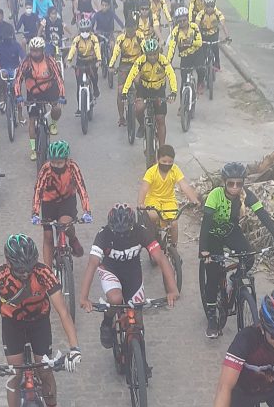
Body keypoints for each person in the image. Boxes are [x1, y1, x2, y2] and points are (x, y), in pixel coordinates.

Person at [0, 234, 81, 407]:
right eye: (20, 270)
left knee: (45, 370)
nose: (25, 274)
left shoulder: (43, 273)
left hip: (39, 322)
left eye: (29, 268)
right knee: (14, 375)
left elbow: (63, 312)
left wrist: (74, 348)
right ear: (8, 263)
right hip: (12, 324)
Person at [199, 162, 274, 338]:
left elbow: (263, 216)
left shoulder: (246, 195)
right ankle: (212, 318)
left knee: (249, 257)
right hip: (212, 235)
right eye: (231, 183)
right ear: (224, 182)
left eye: (239, 183)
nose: (235, 187)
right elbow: (205, 224)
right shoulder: (215, 195)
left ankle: (235, 280)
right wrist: (204, 250)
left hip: (231, 231)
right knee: (213, 275)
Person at [79, 204, 179, 352]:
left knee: (137, 313)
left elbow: (161, 259)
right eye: (117, 232)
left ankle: (140, 353)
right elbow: (92, 264)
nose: (122, 236)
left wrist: (172, 289)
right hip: (110, 270)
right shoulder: (103, 234)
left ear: (133, 226)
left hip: (132, 271)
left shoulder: (141, 231)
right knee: (115, 299)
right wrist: (84, 298)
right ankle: (107, 322)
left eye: (126, 232)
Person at [32, 140, 92, 266]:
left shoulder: (73, 168)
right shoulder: (45, 169)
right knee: (48, 237)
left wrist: (87, 211)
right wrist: (35, 213)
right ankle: (48, 272)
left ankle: (73, 239)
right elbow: (38, 190)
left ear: (66, 160)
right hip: (49, 203)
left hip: (67, 200)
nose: (55, 165)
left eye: (59, 163)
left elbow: (81, 188)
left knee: (64, 224)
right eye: (53, 162)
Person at [13, 37, 66, 160]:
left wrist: (62, 96)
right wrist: (18, 96)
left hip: (49, 90)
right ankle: (33, 149)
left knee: (57, 109)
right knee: (32, 121)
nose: (34, 53)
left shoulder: (50, 60)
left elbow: (59, 78)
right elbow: (18, 79)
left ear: (42, 50)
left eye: (37, 50)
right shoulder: (26, 62)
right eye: (32, 50)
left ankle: (53, 124)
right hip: (33, 93)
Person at [137, 144, 200, 246]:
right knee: (153, 216)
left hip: (169, 200)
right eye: (164, 161)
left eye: (170, 162)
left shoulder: (175, 170)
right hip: (153, 199)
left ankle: (174, 247)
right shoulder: (151, 171)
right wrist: (141, 203)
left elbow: (184, 185)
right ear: (158, 160)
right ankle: (152, 240)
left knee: (174, 223)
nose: (167, 164)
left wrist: (194, 200)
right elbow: (144, 188)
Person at [122, 37, 177, 145]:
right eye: (150, 55)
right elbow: (131, 75)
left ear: (158, 52)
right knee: (138, 109)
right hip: (144, 90)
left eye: (154, 54)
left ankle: (162, 147)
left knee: (160, 119)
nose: (152, 57)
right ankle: (142, 126)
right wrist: (124, 91)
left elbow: (171, 75)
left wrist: (173, 92)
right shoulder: (140, 61)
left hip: (159, 90)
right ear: (145, 54)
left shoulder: (163, 60)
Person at [108, 21, 143, 126]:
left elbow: (145, 48)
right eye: (128, 28)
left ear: (135, 27)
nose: (130, 30)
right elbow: (115, 53)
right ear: (125, 28)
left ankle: (140, 100)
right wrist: (111, 65)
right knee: (120, 92)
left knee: (137, 81)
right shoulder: (121, 38)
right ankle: (121, 117)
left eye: (132, 28)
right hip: (124, 66)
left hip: (137, 65)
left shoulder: (140, 36)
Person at [0, 25, 25, 118]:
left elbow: (23, 57)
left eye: (8, 36)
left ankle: (20, 115)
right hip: (4, 69)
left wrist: (25, 65)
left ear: (12, 35)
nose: (7, 38)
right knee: (1, 76)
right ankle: (1, 96)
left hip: (15, 69)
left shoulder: (16, 45)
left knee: (18, 92)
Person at [166, 6, 204, 92]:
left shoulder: (194, 27)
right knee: (183, 83)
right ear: (177, 21)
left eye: (184, 20)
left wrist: (191, 42)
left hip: (197, 53)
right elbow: (171, 47)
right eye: (180, 21)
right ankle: (183, 100)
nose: (182, 23)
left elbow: (200, 42)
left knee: (201, 70)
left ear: (188, 18)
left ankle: (200, 83)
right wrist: (168, 62)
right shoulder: (175, 31)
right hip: (185, 57)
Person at [66, 17, 101, 110]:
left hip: (91, 61)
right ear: (79, 30)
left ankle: (95, 87)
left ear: (90, 29)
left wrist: (99, 60)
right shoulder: (77, 39)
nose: (85, 32)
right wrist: (69, 60)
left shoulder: (94, 38)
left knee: (94, 76)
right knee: (79, 85)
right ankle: (79, 107)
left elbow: (97, 49)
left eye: (87, 30)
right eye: (82, 30)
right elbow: (73, 49)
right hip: (80, 62)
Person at [196, 0, 231, 73]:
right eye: (208, 6)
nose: (210, 8)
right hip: (203, 34)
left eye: (212, 6)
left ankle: (217, 65)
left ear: (214, 5)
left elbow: (223, 25)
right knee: (201, 51)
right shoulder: (200, 14)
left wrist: (227, 36)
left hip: (214, 34)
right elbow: (196, 26)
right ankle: (201, 66)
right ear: (205, 6)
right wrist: (195, 37)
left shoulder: (218, 13)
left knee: (215, 49)